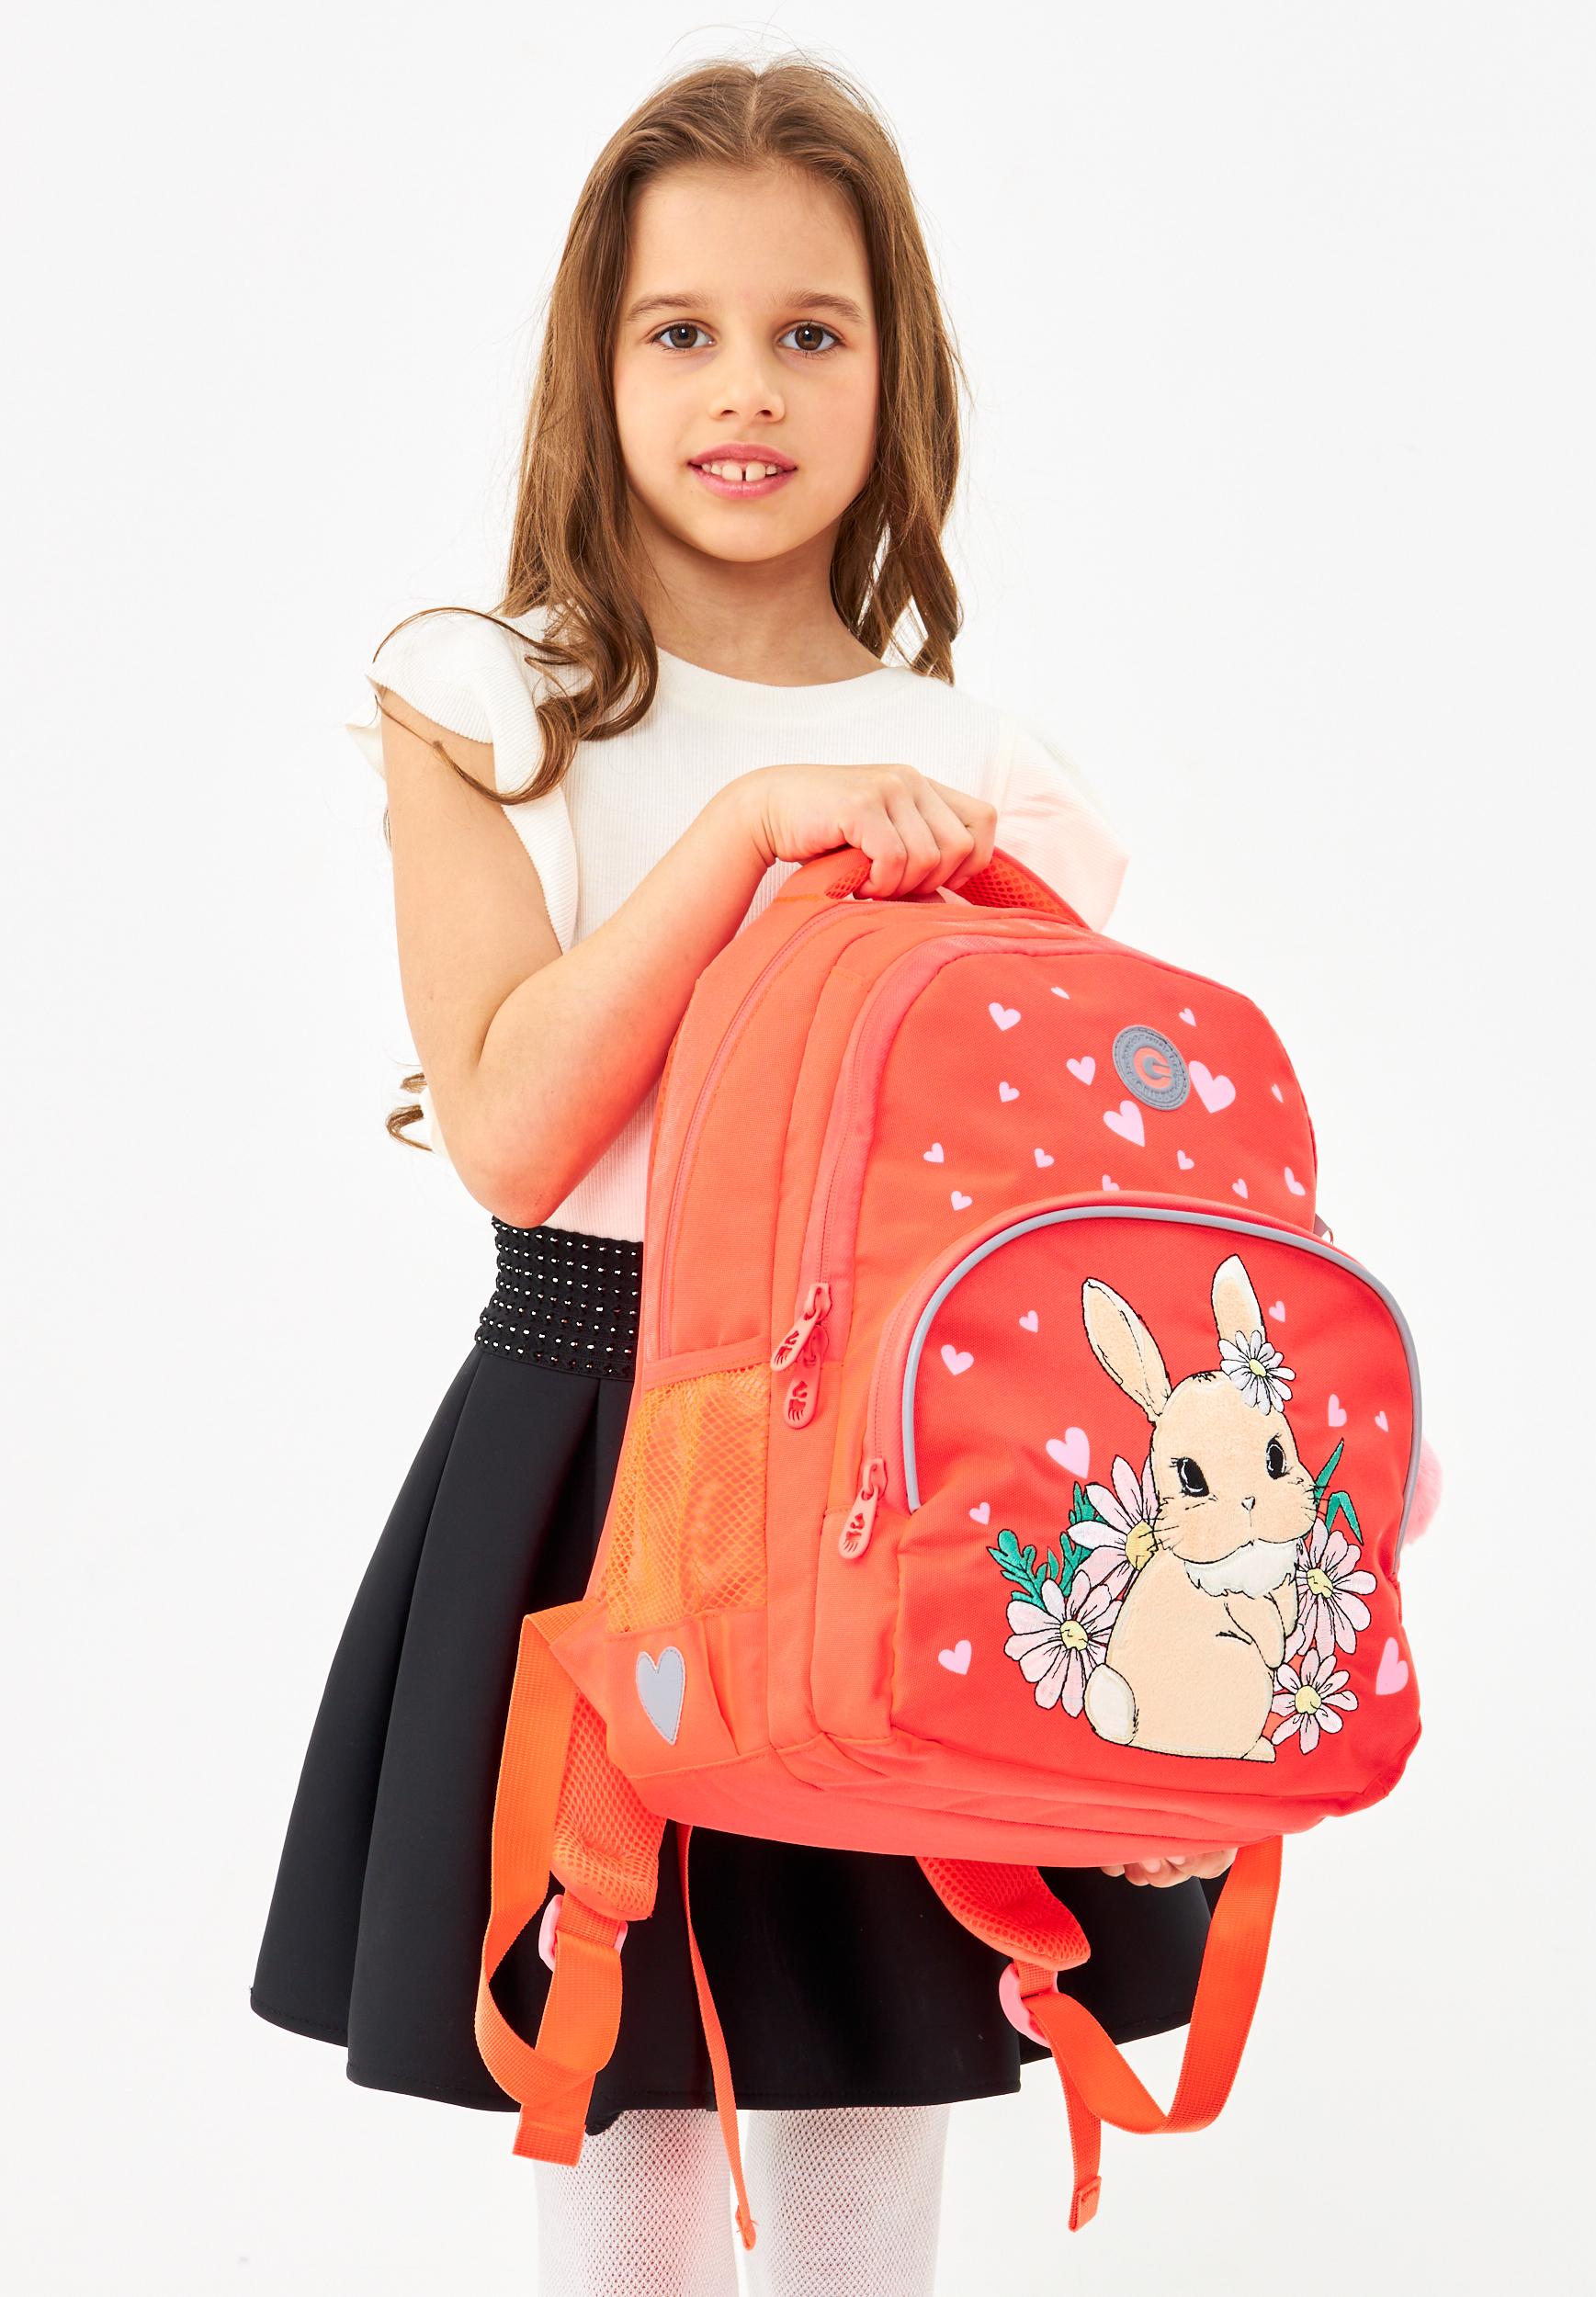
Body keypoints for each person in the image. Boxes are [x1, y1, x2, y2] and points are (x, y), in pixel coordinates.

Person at [252, 56, 1235, 2297]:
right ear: (591, 367)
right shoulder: (489, 701)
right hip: (590, 1449)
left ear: (896, 372)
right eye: (678, 328)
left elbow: (1038, 1231)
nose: (745, 388)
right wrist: (743, 831)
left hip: (881, 1473)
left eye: (811, 330)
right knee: (617, 2117)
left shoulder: (985, 769)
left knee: (869, 2107)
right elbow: (512, 1126)